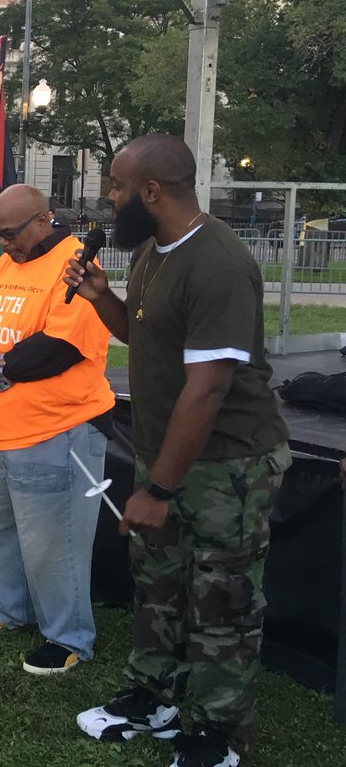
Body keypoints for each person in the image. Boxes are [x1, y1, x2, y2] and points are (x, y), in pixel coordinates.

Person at [67, 135, 291, 766]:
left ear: (152, 191)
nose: (109, 198)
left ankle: (220, 734)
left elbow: (210, 386)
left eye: (115, 186)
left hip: (227, 465)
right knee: (158, 585)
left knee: (223, 599)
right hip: (165, 455)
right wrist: (101, 297)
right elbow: (144, 336)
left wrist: (158, 488)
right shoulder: (151, 253)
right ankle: (152, 693)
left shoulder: (217, 262)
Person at [0, 184, 114, 676]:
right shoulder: (8, 262)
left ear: (42, 221)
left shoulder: (77, 266)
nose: (3, 244)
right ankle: (7, 607)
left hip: (54, 429)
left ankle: (67, 637)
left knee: (53, 543)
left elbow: (58, 348)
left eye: (10, 234)